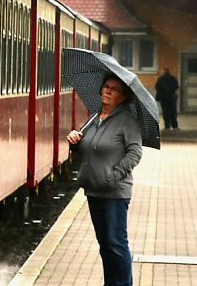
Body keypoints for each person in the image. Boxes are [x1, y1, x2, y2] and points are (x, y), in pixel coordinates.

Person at [67, 74, 143, 286]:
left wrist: (114, 177)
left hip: (114, 193)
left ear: (123, 96)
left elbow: (135, 153)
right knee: (105, 245)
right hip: (93, 190)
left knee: (117, 244)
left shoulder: (127, 121)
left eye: (114, 89)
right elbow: (85, 150)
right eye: (105, 87)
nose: (107, 91)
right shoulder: (93, 118)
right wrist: (75, 141)